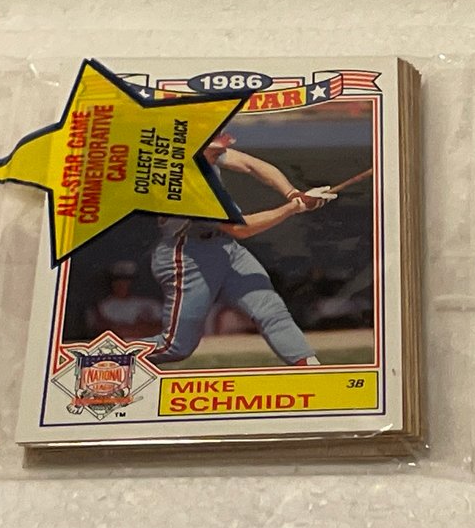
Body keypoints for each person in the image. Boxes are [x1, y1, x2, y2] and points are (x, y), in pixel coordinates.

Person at [144, 135, 338, 366]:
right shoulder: (187, 184)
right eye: (215, 149)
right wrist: (295, 207)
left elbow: (252, 165)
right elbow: (241, 228)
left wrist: (293, 193)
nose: (222, 152)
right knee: (176, 346)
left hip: (224, 247)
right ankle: (111, 358)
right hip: (187, 256)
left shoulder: (200, 156)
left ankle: (307, 364)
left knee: (269, 308)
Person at [86, 261, 169, 340]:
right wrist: (142, 327)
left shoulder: (151, 304)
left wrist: (123, 328)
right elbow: (109, 334)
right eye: (118, 280)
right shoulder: (100, 308)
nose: (122, 284)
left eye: (127, 280)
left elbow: (165, 331)